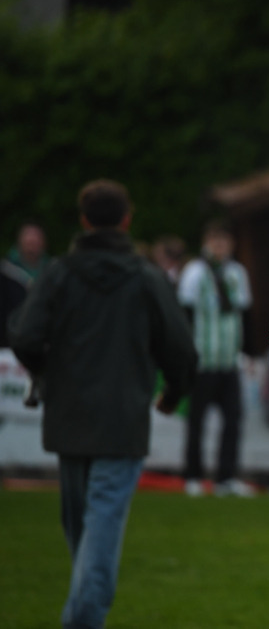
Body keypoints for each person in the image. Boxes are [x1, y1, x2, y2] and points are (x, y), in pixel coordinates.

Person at [7, 179, 196, 629]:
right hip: (123, 421)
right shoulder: (146, 276)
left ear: (84, 220)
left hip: (68, 419)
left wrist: (45, 372)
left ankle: (83, 615)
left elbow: (25, 336)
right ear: (127, 220)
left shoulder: (57, 274)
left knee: (83, 535)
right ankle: (83, 619)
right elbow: (181, 350)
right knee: (99, 534)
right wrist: (172, 393)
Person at [178, 220, 254, 497]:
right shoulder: (195, 273)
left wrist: (245, 353)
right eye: (215, 241)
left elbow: (244, 316)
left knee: (233, 420)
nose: (220, 247)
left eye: (224, 241)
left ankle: (226, 478)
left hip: (228, 361)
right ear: (206, 243)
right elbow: (184, 315)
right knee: (196, 421)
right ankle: (193, 476)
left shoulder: (237, 273)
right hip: (203, 360)